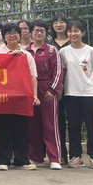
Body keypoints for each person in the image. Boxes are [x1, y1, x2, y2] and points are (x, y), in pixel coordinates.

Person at [0, 23, 40, 171]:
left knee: (21, 128)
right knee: (4, 127)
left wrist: (34, 95)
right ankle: (3, 160)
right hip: (4, 97)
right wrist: (9, 57)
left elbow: (33, 76)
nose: (12, 35)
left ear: (20, 36)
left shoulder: (27, 55)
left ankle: (22, 160)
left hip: (22, 96)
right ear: (4, 36)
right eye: (8, 33)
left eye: (15, 33)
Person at [59, 21, 93, 169]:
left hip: (89, 94)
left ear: (82, 32)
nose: (73, 34)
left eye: (76, 31)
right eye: (70, 31)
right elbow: (62, 72)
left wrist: (88, 83)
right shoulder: (63, 52)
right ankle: (76, 156)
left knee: (92, 127)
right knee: (73, 127)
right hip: (71, 94)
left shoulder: (91, 51)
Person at [25, 20, 64, 170]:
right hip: (30, 90)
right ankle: (36, 156)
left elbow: (58, 71)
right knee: (32, 125)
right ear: (31, 32)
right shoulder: (25, 51)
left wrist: (53, 90)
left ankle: (54, 158)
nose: (39, 33)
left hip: (47, 88)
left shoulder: (52, 50)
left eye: (42, 31)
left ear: (46, 33)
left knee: (50, 125)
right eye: (36, 31)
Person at [49, 13, 71, 165]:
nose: (59, 24)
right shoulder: (49, 44)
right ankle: (61, 153)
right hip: (56, 88)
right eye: (56, 22)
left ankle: (76, 154)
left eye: (62, 22)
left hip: (73, 85)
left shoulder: (73, 41)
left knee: (74, 121)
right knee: (58, 121)